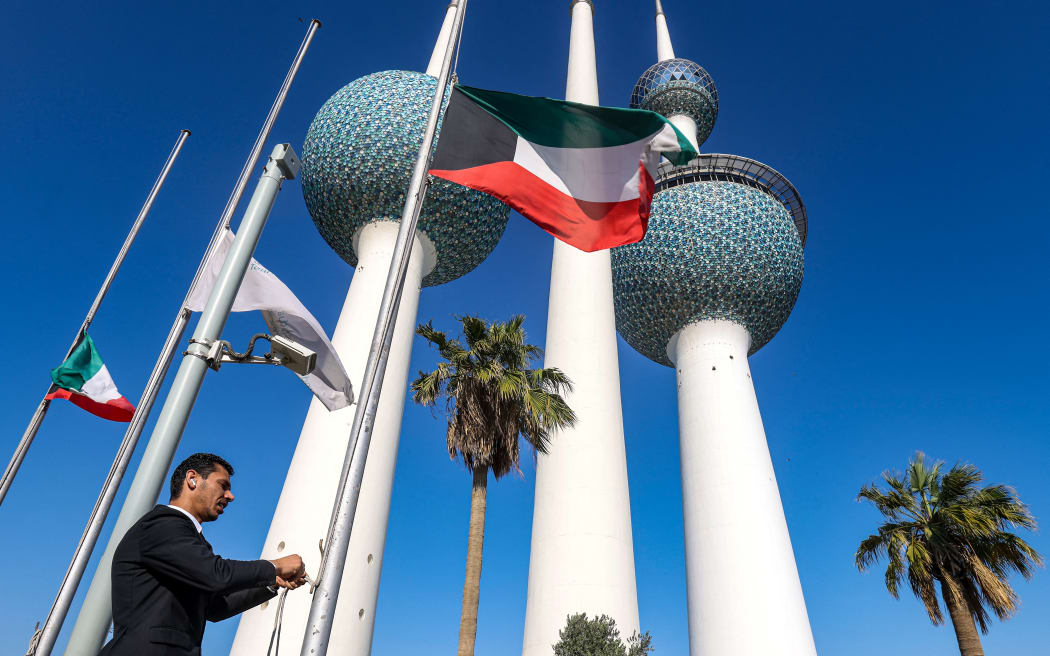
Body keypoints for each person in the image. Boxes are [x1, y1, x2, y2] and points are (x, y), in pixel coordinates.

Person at [99, 452, 306, 655]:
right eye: (223, 485)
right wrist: (274, 566)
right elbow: (216, 574)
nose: (230, 496)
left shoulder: (186, 540)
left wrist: (272, 582)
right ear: (192, 479)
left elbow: (215, 607)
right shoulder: (162, 525)